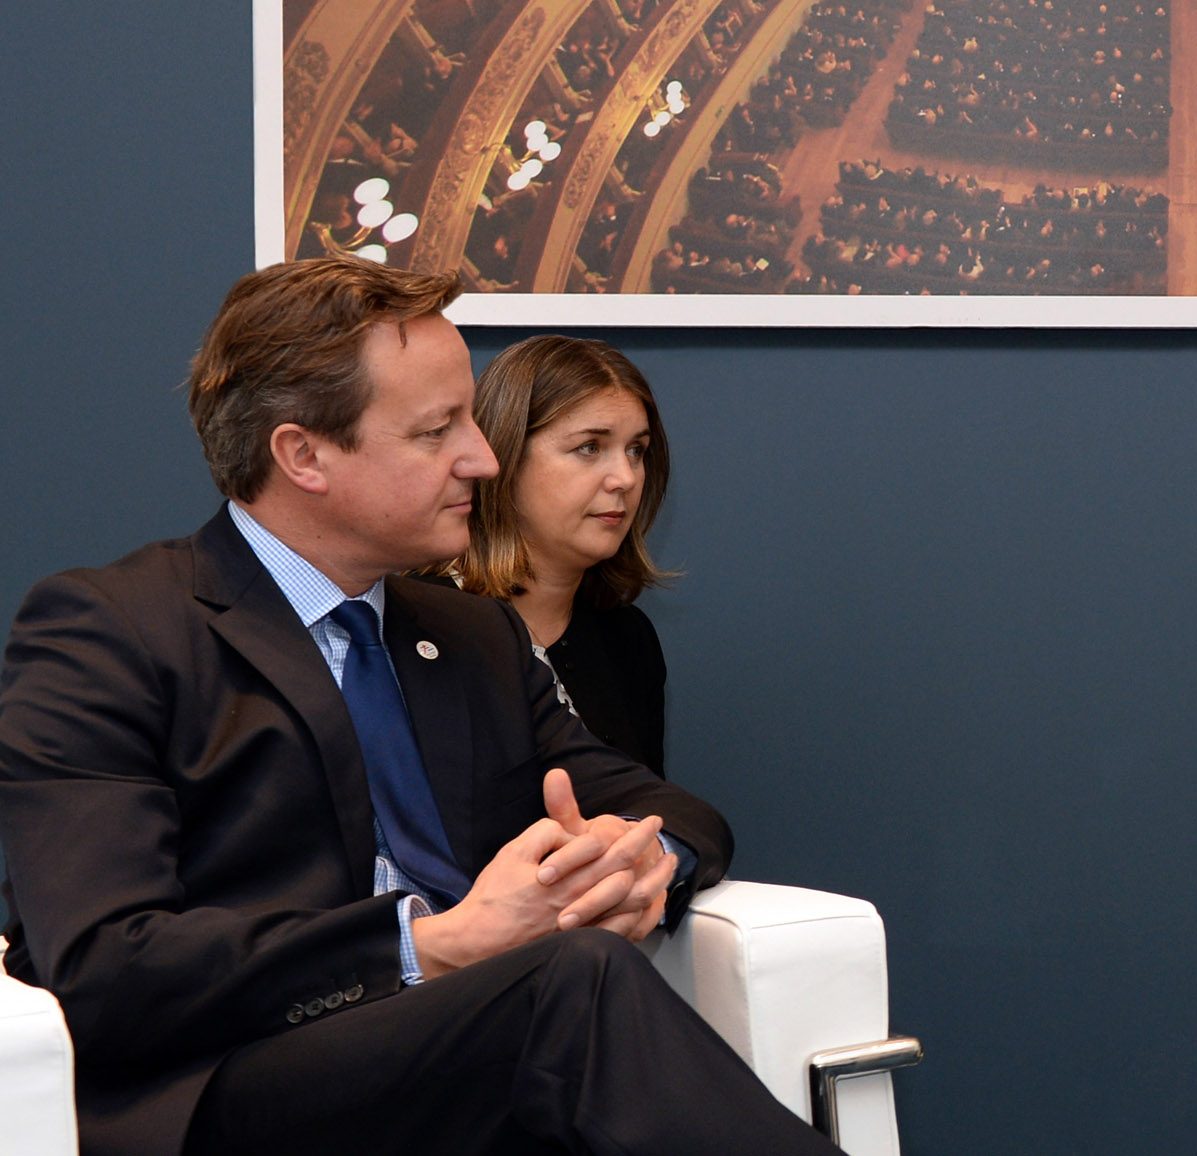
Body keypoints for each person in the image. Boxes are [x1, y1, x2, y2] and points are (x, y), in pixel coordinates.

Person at [0, 257, 842, 1156]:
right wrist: (427, 944)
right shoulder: (111, 632)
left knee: (570, 990)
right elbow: (106, 969)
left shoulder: (472, 634)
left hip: (476, 1057)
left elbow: (662, 806)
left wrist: (643, 861)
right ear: (303, 455)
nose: (483, 458)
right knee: (571, 982)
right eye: (438, 430)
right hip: (240, 1081)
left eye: (469, 419)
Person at [433, 335, 674, 775]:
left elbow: (649, 803)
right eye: (590, 447)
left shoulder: (628, 638)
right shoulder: (419, 625)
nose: (625, 478)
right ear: (504, 455)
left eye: (636, 450)